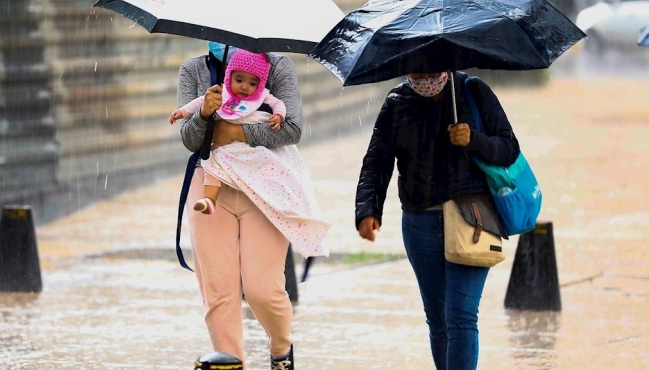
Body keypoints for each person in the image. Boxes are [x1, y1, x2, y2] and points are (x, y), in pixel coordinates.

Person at [177, 42, 329, 368]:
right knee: (218, 288)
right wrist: (204, 114)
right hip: (209, 185)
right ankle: (230, 363)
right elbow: (190, 140)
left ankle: (281, 349)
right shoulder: (194, 69)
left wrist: (235, 130)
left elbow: (291, 129)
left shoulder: (277, 66)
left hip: (264, 185)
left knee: (262, 288)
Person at [355, 70, 519, 370]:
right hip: (419, 224)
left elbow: (509, 148)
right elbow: (377, 161)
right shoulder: (397, 101)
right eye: (416, 69)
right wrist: (368, 210)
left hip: (472, 219)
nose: (423, 77)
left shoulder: (472, 90)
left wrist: (474, 140)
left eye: (430, 68)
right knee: (438, 319)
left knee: (461, 317)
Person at [170, 50, 287, 214]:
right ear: (229, 76)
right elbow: (199, 102)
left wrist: (279, 115)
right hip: (223, 148)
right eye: (239, 80)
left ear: (260, 85)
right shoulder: (221, 91)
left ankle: (276, 195)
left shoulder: (263, 95)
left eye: (253, 84)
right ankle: (209, 200)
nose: (245, 87)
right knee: (212, 161)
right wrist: (182, 112)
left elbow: (278, 103)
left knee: (266, 158)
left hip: (250, 145)